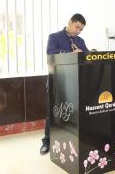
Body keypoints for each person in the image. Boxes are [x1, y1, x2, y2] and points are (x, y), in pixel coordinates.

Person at [40, 13, 89, 155]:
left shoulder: (80, 40)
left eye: (81, 29)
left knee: (72, 113)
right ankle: (47, 142)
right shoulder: (54, 37)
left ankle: (68, 142)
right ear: (70, 22)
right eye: (77, 27)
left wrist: (85, 53)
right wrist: (71, 53)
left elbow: (87, 56)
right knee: (52, 113)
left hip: (75, 84)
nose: (78, 31)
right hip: (57, 81)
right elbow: (51, 53)